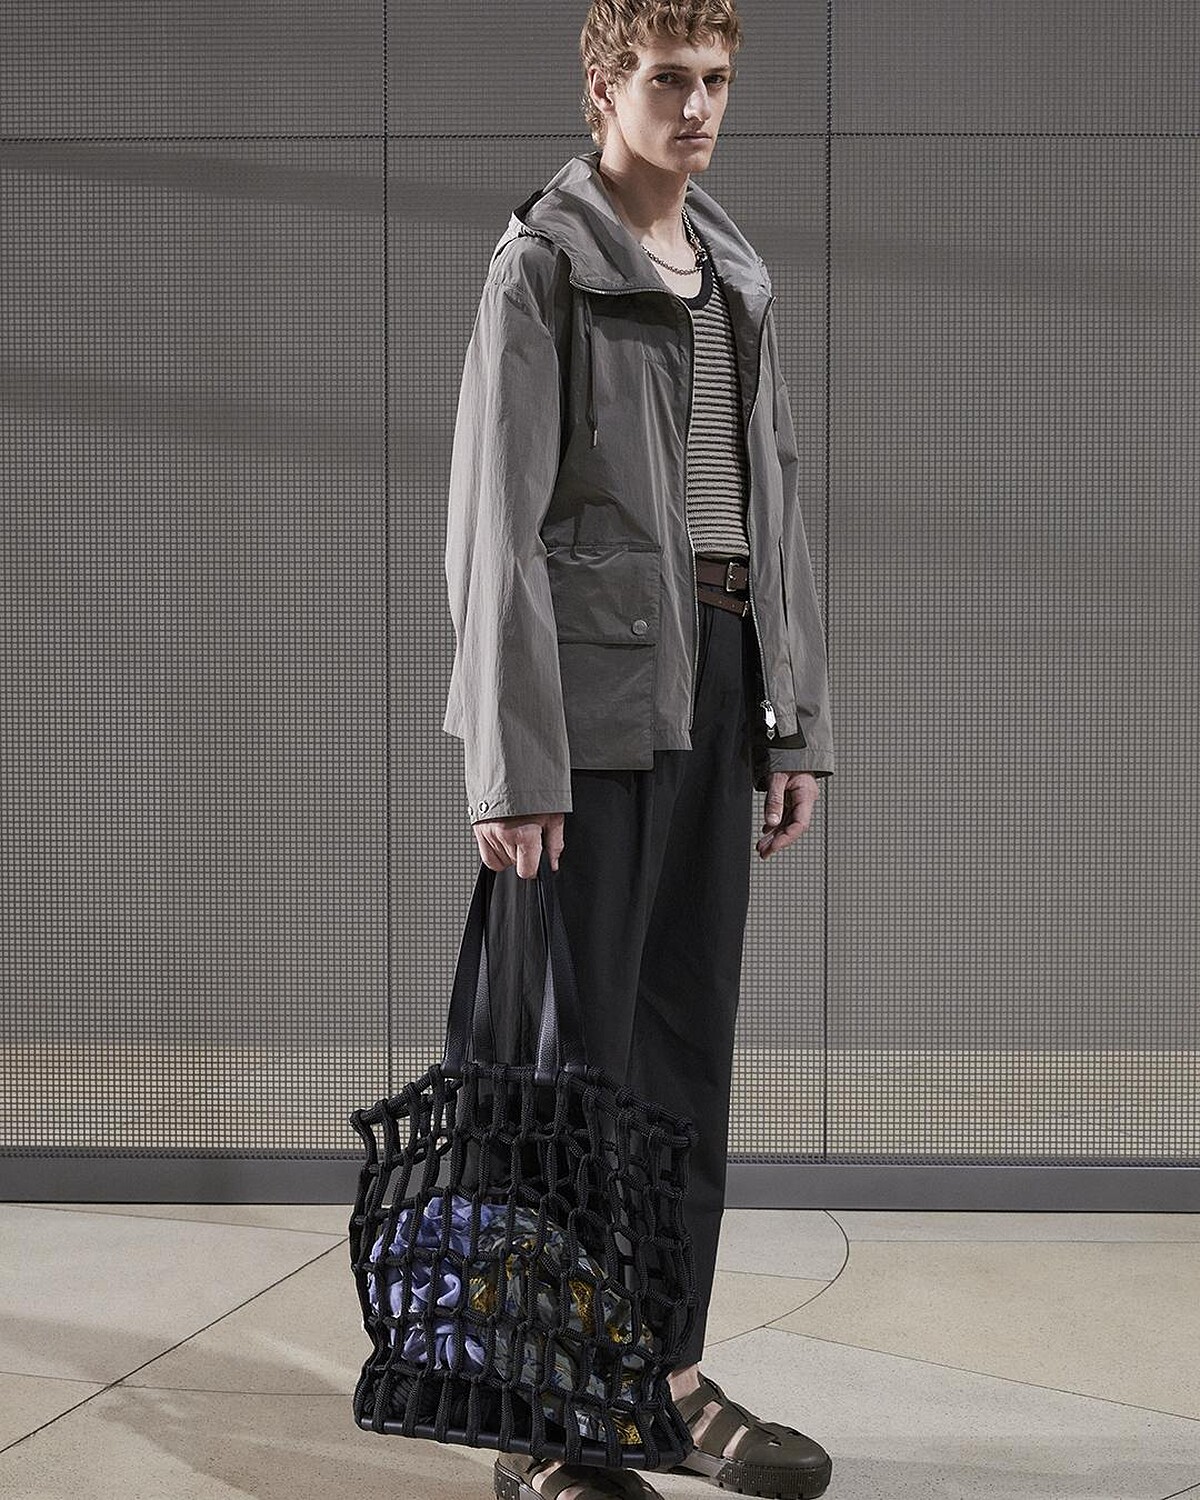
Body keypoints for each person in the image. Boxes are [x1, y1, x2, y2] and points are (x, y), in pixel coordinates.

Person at [442, 3, 835, 1497]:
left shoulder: (732, 273)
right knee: (566, 1069)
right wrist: (514, 763)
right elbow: (497, 528)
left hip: (719, 687)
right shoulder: (545, 264)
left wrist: (794, 718)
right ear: (605, 85)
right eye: (670, 79)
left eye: (716, 80)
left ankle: (663, 1377)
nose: (699, 107)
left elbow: (772, 510)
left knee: (682, 1060)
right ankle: (538, 1415)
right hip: (589, 712)